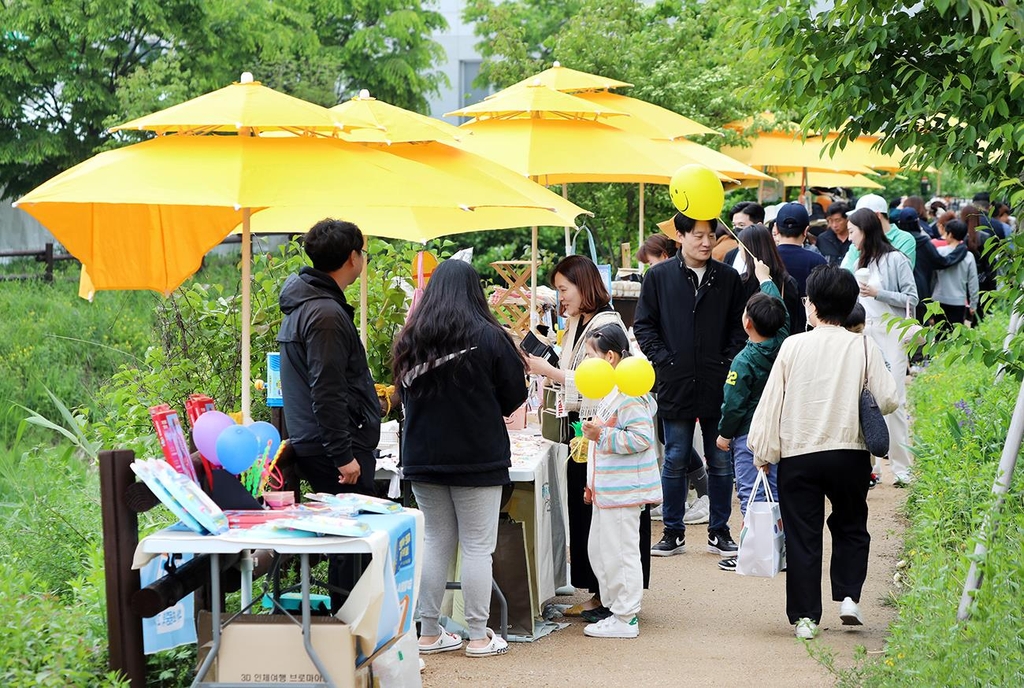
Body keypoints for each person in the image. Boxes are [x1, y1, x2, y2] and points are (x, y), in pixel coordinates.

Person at [748, 264, 899, 640]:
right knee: (850, 525)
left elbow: (771, 404)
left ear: (811, 306)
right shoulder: (863, 345)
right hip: (849, 453)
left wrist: (764, 452)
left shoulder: (792, 345)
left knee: (804, 534)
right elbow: (889, 399)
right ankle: (848, 597)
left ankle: (805, 618)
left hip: (799, 454)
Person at [392, 260, 528, 658]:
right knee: (476, 547)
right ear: (475, 292)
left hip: (422, 457)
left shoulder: (411, 339)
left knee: (435, 543)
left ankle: (429, 633)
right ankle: (479, 636)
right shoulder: (490, 337)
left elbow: (402, 396)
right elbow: (514, 396)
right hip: (477, 457)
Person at [527, 255, 649, 618]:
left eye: (564, 289)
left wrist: (548, 370)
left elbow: (597, 380)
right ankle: (599, 592)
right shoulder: (579, 321)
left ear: (584, 286)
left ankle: (609, 596)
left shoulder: (605, 323)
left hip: (602, 430)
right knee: (588, 515)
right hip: (585, 431)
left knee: (601, 516)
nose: (561, 297)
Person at [277, 218, 382, 610]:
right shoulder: (324, 314)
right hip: (334, 445)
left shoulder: (310, 304)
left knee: (346, 545)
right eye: (363, 253)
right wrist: (343, 454)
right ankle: (348, 635)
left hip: (321, 439)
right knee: (350, 547)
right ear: (353, 258)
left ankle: (347, 632)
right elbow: (326, 388)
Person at [634, 211, 746, 559]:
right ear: (680, 236)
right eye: (697, 235)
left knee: (719, 459)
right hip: (675, 379)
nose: (705, 242)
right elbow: (644, 325)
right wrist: (664, 360)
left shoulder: (727, 278)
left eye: (710, 236)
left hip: (718, 381)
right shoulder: (659, 277)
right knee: (675, 456)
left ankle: (719, 530)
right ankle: (672, 530)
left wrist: (727, 362)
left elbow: (739, 328)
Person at [579, 326, 663, 639]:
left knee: (620, 552)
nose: (587, 362)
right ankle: (617, 610)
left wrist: (602, 435)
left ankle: (626, 616)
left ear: (610, 357)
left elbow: (641, 438)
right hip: (609, 490)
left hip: (624, 491)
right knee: (601, 551)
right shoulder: (613, 395)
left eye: (591, 355)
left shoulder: (629, 396)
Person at [714, 258, 789, 571]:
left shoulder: (744, 361)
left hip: (749, 435)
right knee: (776, 492)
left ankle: (756, 552)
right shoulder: (784, 343)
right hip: (780, 432)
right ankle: (780, 550)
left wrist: (724, 433)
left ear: (746, 323)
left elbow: (734, 403)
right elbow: (781, 314)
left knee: (751, 491)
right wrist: (766, 280)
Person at [846, 208, 918, 486]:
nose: (850, 237)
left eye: (853, 232)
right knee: (864, 399)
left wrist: (879, 293)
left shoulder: (896, 259)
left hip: (893, 333)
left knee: (894, 398)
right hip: (864, 333)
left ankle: (902, 468)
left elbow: (912, 298)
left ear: (865, 231)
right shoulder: (858, 260)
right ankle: (869, 468)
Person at [894, 207, 967, 323]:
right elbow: (942, 262)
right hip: (920, 292)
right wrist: (961, 250)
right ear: (917, 222)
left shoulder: (894, 242)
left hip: (896, 290)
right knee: (919, 330)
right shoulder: (924, 242)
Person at [736, 223, 802, 333]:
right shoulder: (788, 282)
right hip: (783, 347)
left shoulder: (741, 282)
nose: (739, 252)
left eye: (741, 247)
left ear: (749, 249)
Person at [842, 194, 917, 269]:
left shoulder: (904, 239)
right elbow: (848, 274)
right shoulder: (857, 241)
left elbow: (897, 272)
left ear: (877, 216)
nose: (859, 222)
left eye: (862, 217)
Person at [931, 219, 979, 329]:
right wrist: (973, 304)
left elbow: (932, 277)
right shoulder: (968, 256)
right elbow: (973, 282)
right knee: (955, 337)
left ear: (950, 234)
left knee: (939, 335)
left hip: (938, 300)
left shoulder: (940, 252)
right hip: (958, 302)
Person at [773, 203, 827, 298]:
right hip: (809, 313)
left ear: (776, 229)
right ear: (806, 230)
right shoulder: (818, 261)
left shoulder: (763, 258)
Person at [817, 202, 852, 266]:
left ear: (847, 219)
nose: (834, 225)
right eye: (831, 221)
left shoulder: (855, 238)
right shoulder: (823, 239)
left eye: (838, 220)